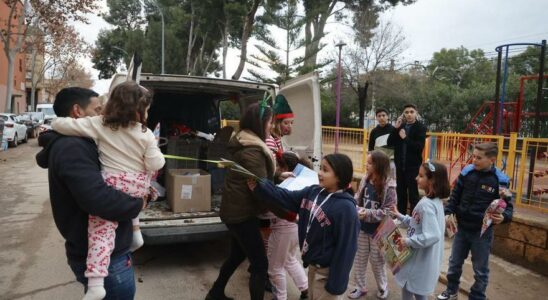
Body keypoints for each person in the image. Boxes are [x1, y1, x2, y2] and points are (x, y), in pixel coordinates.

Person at [51, 81, 165, 300]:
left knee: (100, 232)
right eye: (96, 108)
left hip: (114, 182)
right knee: (141, 188)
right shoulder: (146, 133)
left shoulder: (99, 124)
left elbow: (64, 125)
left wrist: (53, 124)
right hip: (138, 185)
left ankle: (96, 284)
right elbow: (155, 164)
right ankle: (136, 233)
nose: (100, 111)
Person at [249, 153, 360, 300]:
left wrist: (335, 285)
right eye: (320, 168)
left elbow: (347, 249)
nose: (319, 173)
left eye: (325, 170)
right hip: (313, 269)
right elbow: (285, 197)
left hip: (328, 274)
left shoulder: (346, 209)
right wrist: (261, 186)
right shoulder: (313, 191)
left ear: (339, 176)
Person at [206, 102, 276, 300]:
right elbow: (261, 188)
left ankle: (215, 293)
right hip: (242, 214)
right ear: (260, 123)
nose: (272, 126)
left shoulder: (246, 142)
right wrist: (284, 202)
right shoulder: (253, 150)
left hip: (236, 210)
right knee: (260, 265)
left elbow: (257, 179)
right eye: (270, 122)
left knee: (237, 255)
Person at [437, 143, 513, 300]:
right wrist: (449, 211)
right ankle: (451, 291)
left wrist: (504, 217)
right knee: (454, 263)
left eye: (479, 158)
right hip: (462, 228)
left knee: (480, 270)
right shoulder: (467, 172)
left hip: (482, 233)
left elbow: (508, 207)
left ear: (492, 159)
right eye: (473, 156)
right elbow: (455, 195)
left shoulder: (501, 181)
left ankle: (477, 296)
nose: (474, 160)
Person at [389, 161, 450, 300]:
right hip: (421, 262)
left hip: (418, 262)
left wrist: (407, 241)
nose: (416, 178)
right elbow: (417, 223)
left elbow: (433, 235)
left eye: (421, 176)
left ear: (432, 181)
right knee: (413, 290)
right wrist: (401, 216)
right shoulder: (435, 201)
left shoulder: (426, 205)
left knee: (413, 289)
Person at [348, 150, 396, 300]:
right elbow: (357, 199)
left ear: (379, 165)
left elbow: (389, 210)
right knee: (360, 258)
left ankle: (383, 287)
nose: (366, 165)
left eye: (369, 163)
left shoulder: (390, 185)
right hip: (362, 228)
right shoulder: (365, 180)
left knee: (377, 260)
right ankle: (360, 287)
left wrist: (367, 213)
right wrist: (355, 209)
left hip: (380, 230)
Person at [267, 151, 310, 300]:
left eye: (278, 166)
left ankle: (280, 297)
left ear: (285, 168)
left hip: (283, 229)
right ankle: (306, 289)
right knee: (289, 259)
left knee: (274, 268)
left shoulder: (285, 185)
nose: (276, 169)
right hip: (294, 229)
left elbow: (274, 207)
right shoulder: (298, 181)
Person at [387, 104, 427, 214]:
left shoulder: (420, 127)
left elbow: (418, 147)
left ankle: (413, 220)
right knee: (400, 193)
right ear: (403, 114)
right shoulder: (401, 126)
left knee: (413, 194)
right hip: (400, 166)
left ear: (416, 113)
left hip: (413, 167)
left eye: (411, 112)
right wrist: (395, 128)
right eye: (406, 112)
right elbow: (389, 142)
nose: (409, 114)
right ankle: (401, 217)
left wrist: (405, 138)